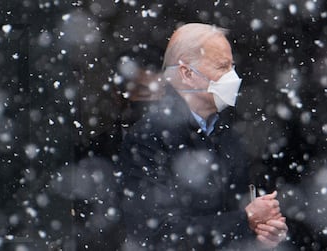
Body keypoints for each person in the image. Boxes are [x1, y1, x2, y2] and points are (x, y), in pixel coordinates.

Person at [117, 23, 288, 250]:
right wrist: (244, 220)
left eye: (232, 66)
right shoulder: (147, 138)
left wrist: (266, 232)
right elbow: (156, 235)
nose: (232, 77)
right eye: (222, 66)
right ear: (187, 73)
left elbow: (249, 209)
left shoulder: (230, 132)